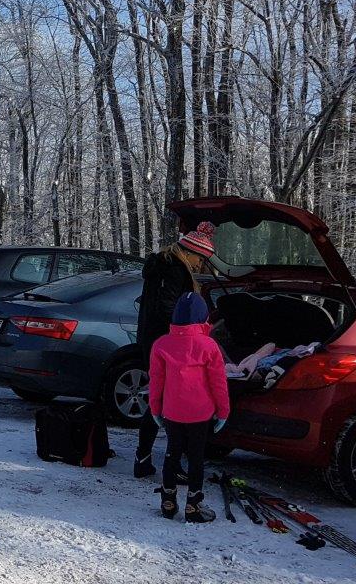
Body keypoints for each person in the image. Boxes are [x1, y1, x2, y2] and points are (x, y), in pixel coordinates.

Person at [134, 221, 218, 479]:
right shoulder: (176, 270)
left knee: (159, 399)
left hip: (152, 341)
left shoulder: (161, 265)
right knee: (174, 404)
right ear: (190, 253)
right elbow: (169, 308)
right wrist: (189, 333)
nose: (199, 266)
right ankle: (171, 465)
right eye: (200, 260)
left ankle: (143, 458)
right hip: (170, 344)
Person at [149, 292, 230, 522]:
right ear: (203, 318)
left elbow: (156, 380)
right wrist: (223, 411)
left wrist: (155, 408)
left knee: (171, 454)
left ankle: (168, 501)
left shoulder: (161, 345)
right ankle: (193, 505)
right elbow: (218, 382)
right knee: (196, 458)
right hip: (200, 413)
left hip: (172, 412)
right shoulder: (209, 346)